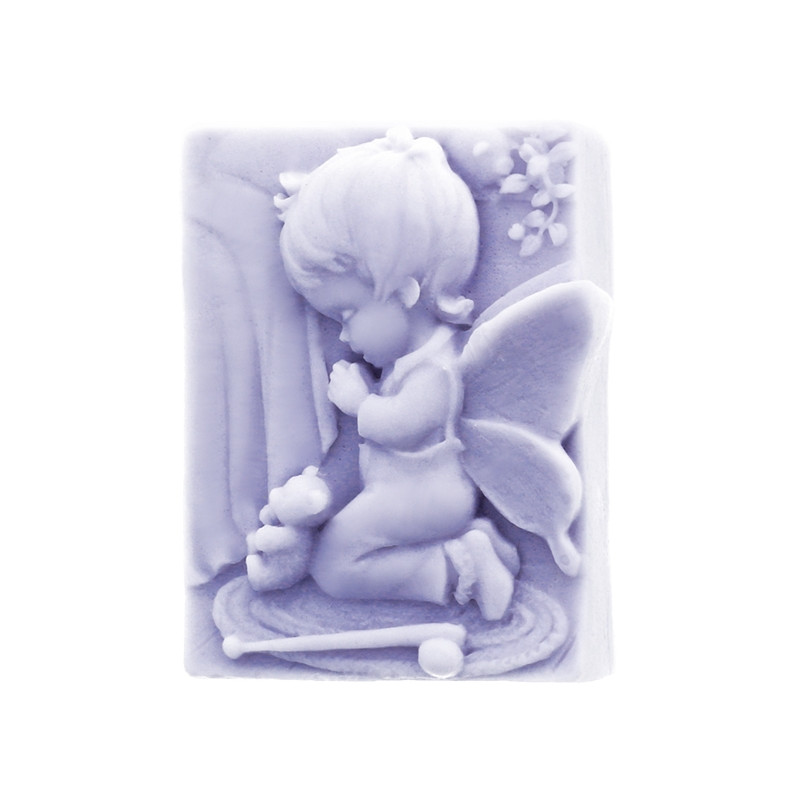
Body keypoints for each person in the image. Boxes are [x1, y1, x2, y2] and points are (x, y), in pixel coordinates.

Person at [247, 129, 519, 620]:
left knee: (335, 566)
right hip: (403, 493)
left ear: (405, 291)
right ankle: (478, 545)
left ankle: (460, 568)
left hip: (428, 497)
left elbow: (404, 425)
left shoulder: (438, 368)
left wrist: (360, 404)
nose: (344, 335)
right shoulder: (405, 362)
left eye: (348, 313)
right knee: (340, 554)